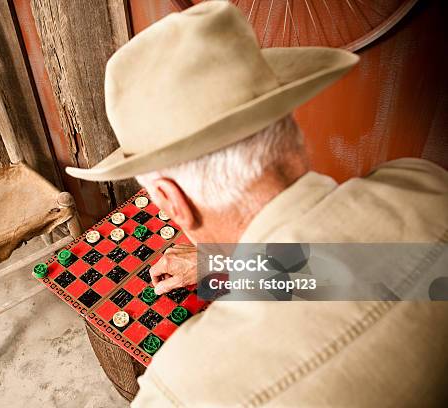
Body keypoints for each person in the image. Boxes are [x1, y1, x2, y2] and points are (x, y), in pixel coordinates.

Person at [66, 1, 448, 406]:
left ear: (172, 202)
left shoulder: (184, 388)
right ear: (292, 133)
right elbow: (350, 267)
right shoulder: (423, 186)